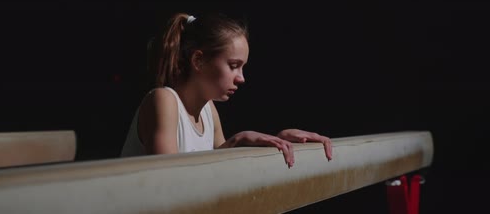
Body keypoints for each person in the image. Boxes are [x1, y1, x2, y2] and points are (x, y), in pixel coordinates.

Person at [120, 12, 332, 168]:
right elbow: (170, 181)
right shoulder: (163, 100)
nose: (241, 78)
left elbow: (218, 170)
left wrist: (279, 140)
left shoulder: (208, 110)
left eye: (242, 67)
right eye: (233, 66)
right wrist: (237, 140)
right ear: (198, 60)